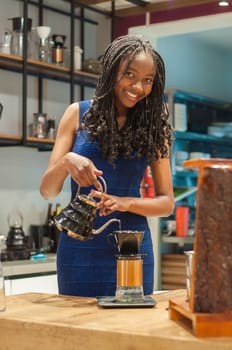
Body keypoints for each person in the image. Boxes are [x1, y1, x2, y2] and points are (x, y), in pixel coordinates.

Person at [40, 34, 174, 298]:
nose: (138, 87)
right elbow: (47, 191)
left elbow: (166, 203)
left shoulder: (153, 126)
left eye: (147, 80)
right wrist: (67, 161)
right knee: (78, 334)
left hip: (133, 248)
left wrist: (123, 202)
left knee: (130, 333)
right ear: (113, 71)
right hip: (79, 247)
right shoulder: (77, 114)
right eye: (130, 75)